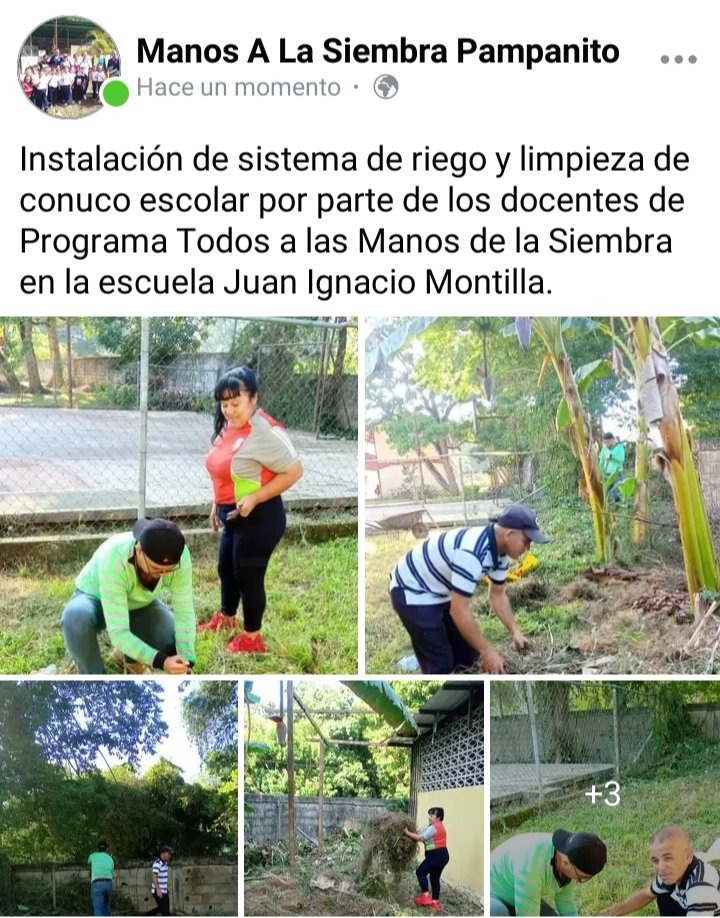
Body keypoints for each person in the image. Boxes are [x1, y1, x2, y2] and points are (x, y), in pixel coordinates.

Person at [200, 367, 303, 654]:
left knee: (248, 575)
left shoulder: (265, 431)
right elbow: (223, 472)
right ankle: (227, 618)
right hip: (232, 516)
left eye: (236, 403)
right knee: (227, 569)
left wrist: (256, 497)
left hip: (259, 519)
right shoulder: (228, 426)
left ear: (254, 399)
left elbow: (295, 471)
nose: (229, 410)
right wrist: (216, 504)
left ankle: (253, 637)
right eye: (224, 403)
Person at [389, 504, 551, 674]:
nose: (528, 548)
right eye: (527, 541)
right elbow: (459, 611)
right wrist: (487, 651)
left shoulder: (500, 553)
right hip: (411, 587)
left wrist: (515, 631)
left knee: (467, 656)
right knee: (440, 662)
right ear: (510, 534)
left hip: (438, 588)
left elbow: (498, 595)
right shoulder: (472, 553)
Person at [61, 518, 196, 674]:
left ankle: (127, 657)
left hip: (138, 605)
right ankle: (94, 678)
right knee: (76, 618)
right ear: (139, 550)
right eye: (155, 569)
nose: (161, 574)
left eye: (168, 570)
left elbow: (184, 611)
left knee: (167, 638)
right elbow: (118, 632)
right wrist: (162, 661)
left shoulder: (181, 557)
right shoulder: (114, 556)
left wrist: (187, 661)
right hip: (96, 599)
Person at [600, 826, 720, 915]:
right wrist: (609, 914)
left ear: (688, 856)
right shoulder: (672, 875)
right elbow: (646, 895)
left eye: (668, 858)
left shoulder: (700, 888)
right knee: (662, 894)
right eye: (655, 860)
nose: (660, 867)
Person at [490, 829, 607, 916]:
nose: (578, 880)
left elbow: (566, 903)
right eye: (581, 878)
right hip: (491, 895)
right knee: (498, 912)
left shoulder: (570, 855)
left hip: (519, 896)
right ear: (566, 863)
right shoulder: (532, 865)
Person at [404, 807, 450, 911]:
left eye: (432, 815)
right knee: (434, 878)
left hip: (436, 856)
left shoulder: (435, 827)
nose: (429, 817)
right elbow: (420, 832)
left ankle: (425, 897)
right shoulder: (434, 826)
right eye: (429, 815)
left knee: (420, 872)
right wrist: (413, 832)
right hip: (443, 856)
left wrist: (407, 833)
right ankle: (435, 903)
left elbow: (421, 838)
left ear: (438, 817)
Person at [88, 840, 114, 916]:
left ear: (97, 848)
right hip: (109, 883)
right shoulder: (110, 858)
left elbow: (88, 862)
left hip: (97, 883)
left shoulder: (93, 856)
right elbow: (112, 873)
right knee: (106, 905)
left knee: (98, 908)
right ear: (106, 849)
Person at [599, 432, 626, 503]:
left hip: (618, 473)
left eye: (608, 442)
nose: (606, 444)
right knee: (606, 493)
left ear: (613, 440)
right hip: (607, 474)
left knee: (617, 493)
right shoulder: (604, 450)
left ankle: (618, 508)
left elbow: (621, 459)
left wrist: (612, 457)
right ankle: (608, 508)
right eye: (605, 442)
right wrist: (601, 473)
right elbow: (601, 463)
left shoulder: (620, 447)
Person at [148, 845, 172, 916]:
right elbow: (154, 876)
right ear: (163, 853)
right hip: (158, 891)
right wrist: (158, 890)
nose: (170, 855)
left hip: (163, 891)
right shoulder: (157, 863)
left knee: (162, 909)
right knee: (165, 911)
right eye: (169, 853)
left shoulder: (165, 863)